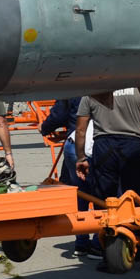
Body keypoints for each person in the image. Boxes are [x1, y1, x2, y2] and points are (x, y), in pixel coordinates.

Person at [76, 88, 140, 269]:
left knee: (105, 202)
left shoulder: (91, 91)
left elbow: (81, 129)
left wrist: (81, 158)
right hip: (131, 145)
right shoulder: (138, 87)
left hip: (104, 147)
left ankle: (110, 255)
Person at [40, 97, 97, 255]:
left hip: (74, 143)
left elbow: (59, 114)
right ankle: (99, 241)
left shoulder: (73, 88)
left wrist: (44, 128)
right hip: (93, 144)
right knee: (101, 194)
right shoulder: (102, 87)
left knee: (80, 194)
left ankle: (81, 241)